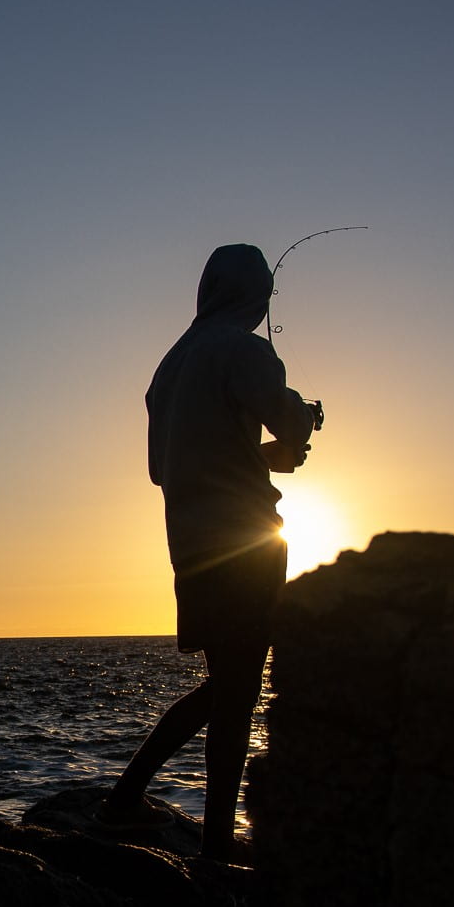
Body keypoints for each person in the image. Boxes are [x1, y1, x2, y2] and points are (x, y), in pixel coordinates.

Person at [100, 243, 320, 862]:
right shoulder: (247, 351)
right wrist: (302, 419)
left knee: (227, 684)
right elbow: (288, 424)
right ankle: (217, 852)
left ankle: (125, 801)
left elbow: (163, 468)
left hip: (189, 546)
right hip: (247, 542)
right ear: (254, 296)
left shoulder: (168, 368)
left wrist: (264, 457)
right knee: (237, 690)